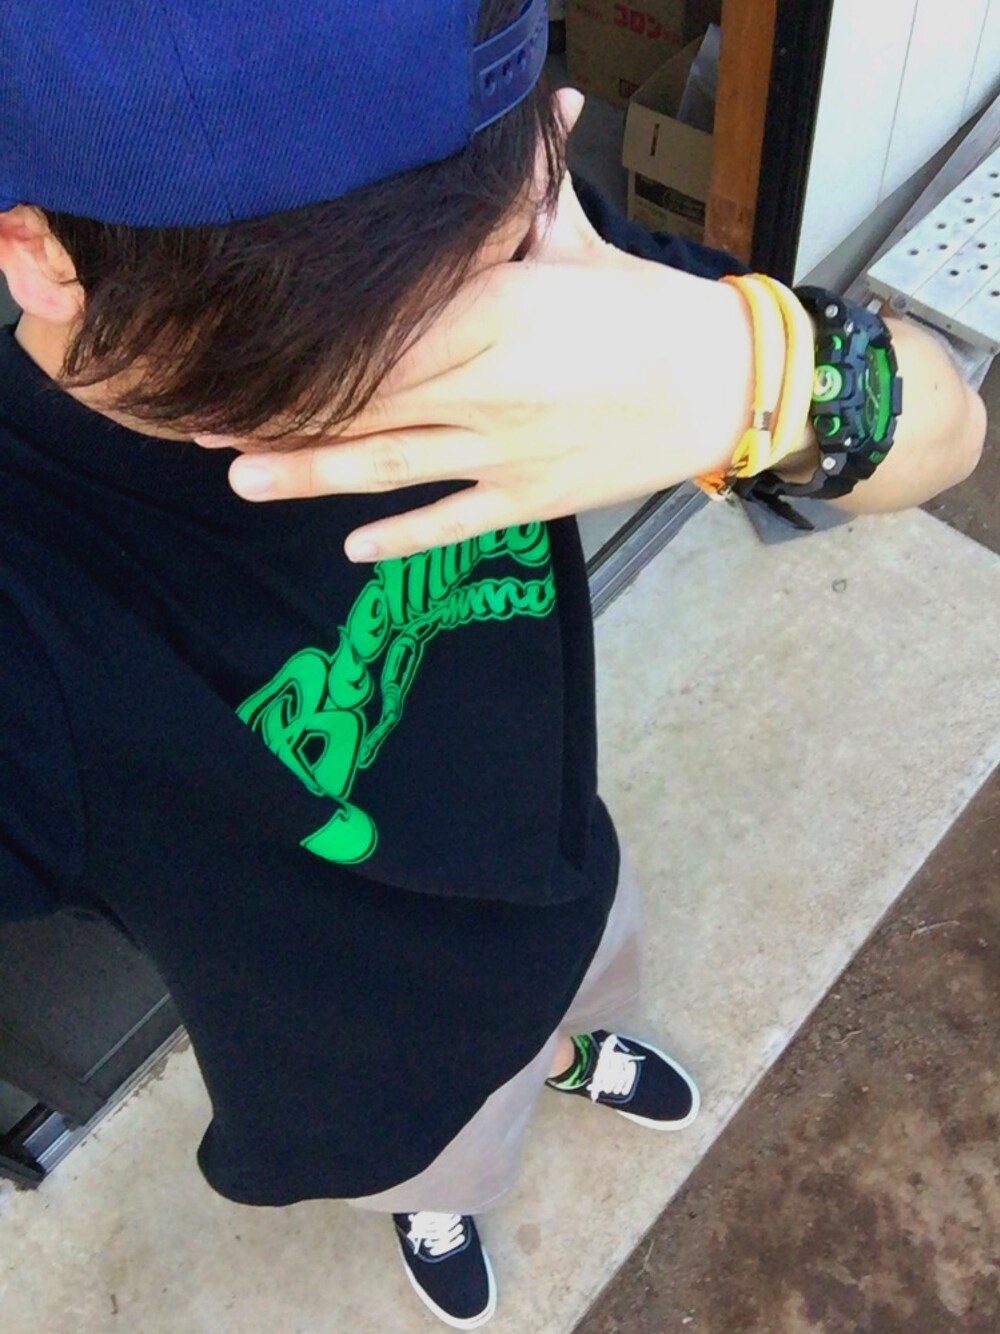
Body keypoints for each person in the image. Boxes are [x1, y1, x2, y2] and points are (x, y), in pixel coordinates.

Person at [0, 2, 983, 1329]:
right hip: (369, 1051)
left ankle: (575, 1046)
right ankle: (442, 1198)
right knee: (449, 1150)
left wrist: (746, 374)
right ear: (43, 256)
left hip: (562, 861)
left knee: (586, 984)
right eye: (311, 309)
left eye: (464, 244)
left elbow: (948, 431)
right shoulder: (34, 589)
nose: (429, 338)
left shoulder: (516, 276)